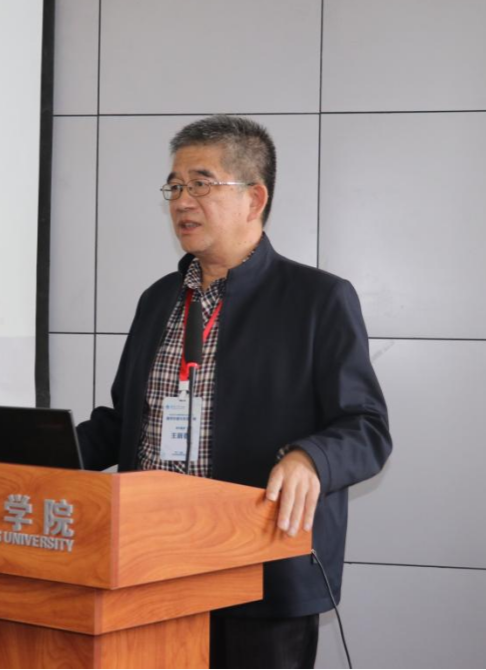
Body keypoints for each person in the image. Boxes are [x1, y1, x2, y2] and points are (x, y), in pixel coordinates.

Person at [76, 114, 392, 669]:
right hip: (151, 563)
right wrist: (29, 454)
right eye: (174, 187)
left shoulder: (317, 299)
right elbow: (125, 425)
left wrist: (310, 458)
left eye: (200, 184)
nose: (182, 201)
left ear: (255, 198)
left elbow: (365, 428)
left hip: (260, 571)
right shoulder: (158, 300)